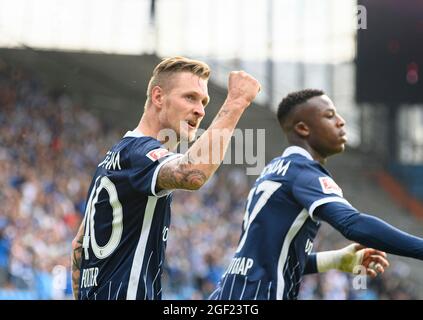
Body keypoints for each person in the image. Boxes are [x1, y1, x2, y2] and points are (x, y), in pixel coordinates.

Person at [71, 56, 261, 300]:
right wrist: (237, 101)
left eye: (204, 102)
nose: (200, 110)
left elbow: (79, 245)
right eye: (190, 97)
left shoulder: (114, 158)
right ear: (158, 97)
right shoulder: (140, 154)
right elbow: (192, 174)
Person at [209, 89, 423, 300]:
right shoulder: (303, 172)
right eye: (329, 116)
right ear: (303, 128)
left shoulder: (273, 170)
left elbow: (269, 260)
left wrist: (334, 259)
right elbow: (352, 223)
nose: (341, 121)